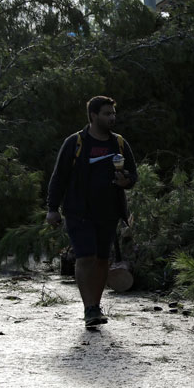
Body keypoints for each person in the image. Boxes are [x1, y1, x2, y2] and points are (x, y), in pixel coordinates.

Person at [46, 96, 138, 328]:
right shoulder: (75, 142)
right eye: (107, 113)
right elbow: (59, 177)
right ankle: (89, 308)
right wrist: (52, 209)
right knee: (85, 257)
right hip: (78, 211)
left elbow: (132, 177)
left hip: (108, 212)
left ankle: (95, 307)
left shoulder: (118, 143)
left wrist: (124, 181)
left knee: (102, 260)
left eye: (113, 113)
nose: (112, 118)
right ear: (93, 115)